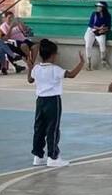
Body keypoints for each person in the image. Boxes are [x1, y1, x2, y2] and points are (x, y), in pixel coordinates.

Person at [25, 40, 85, 168]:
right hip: (53, 101)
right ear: (52, 55)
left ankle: (38, 156)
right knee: (52, 128)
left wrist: (30, 67)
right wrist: (81, 63)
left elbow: (30, 80)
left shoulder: (37, 68)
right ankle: (53, 157)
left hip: (40, 101)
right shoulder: (55, 69)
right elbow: (71, 74)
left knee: (39, 128)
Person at [84, 1, 112, 70]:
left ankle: (103, 59)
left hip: (100, 32)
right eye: (97, 6)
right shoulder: (94, 14)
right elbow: (91, 24)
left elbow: (108, 26)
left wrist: (104, 29)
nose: (98, 8)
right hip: (91, 31)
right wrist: (99, 28)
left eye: (99, 7)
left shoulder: (108, 15)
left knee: (102, 43)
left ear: (103, 8)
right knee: (88, 45)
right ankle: (88, 63)